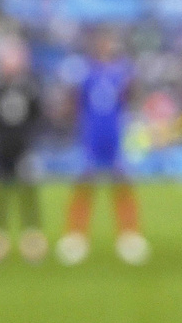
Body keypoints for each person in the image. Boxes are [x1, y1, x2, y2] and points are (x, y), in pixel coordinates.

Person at [60, 29, 147, 265]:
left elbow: (130, 99)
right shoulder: (85, 72)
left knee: (122, 185)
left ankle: (129, 236)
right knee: (84, 185)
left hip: (115, 136)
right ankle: (76, 236)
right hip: (91, 136)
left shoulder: (123, 72)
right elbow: (75, 104)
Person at [0, 37, 47, 264]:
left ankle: (32, 241)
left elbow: (37, 120)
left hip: (23, 150)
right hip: (1, 150)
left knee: (27, 197)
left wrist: (30, 146)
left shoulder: (29, 90)